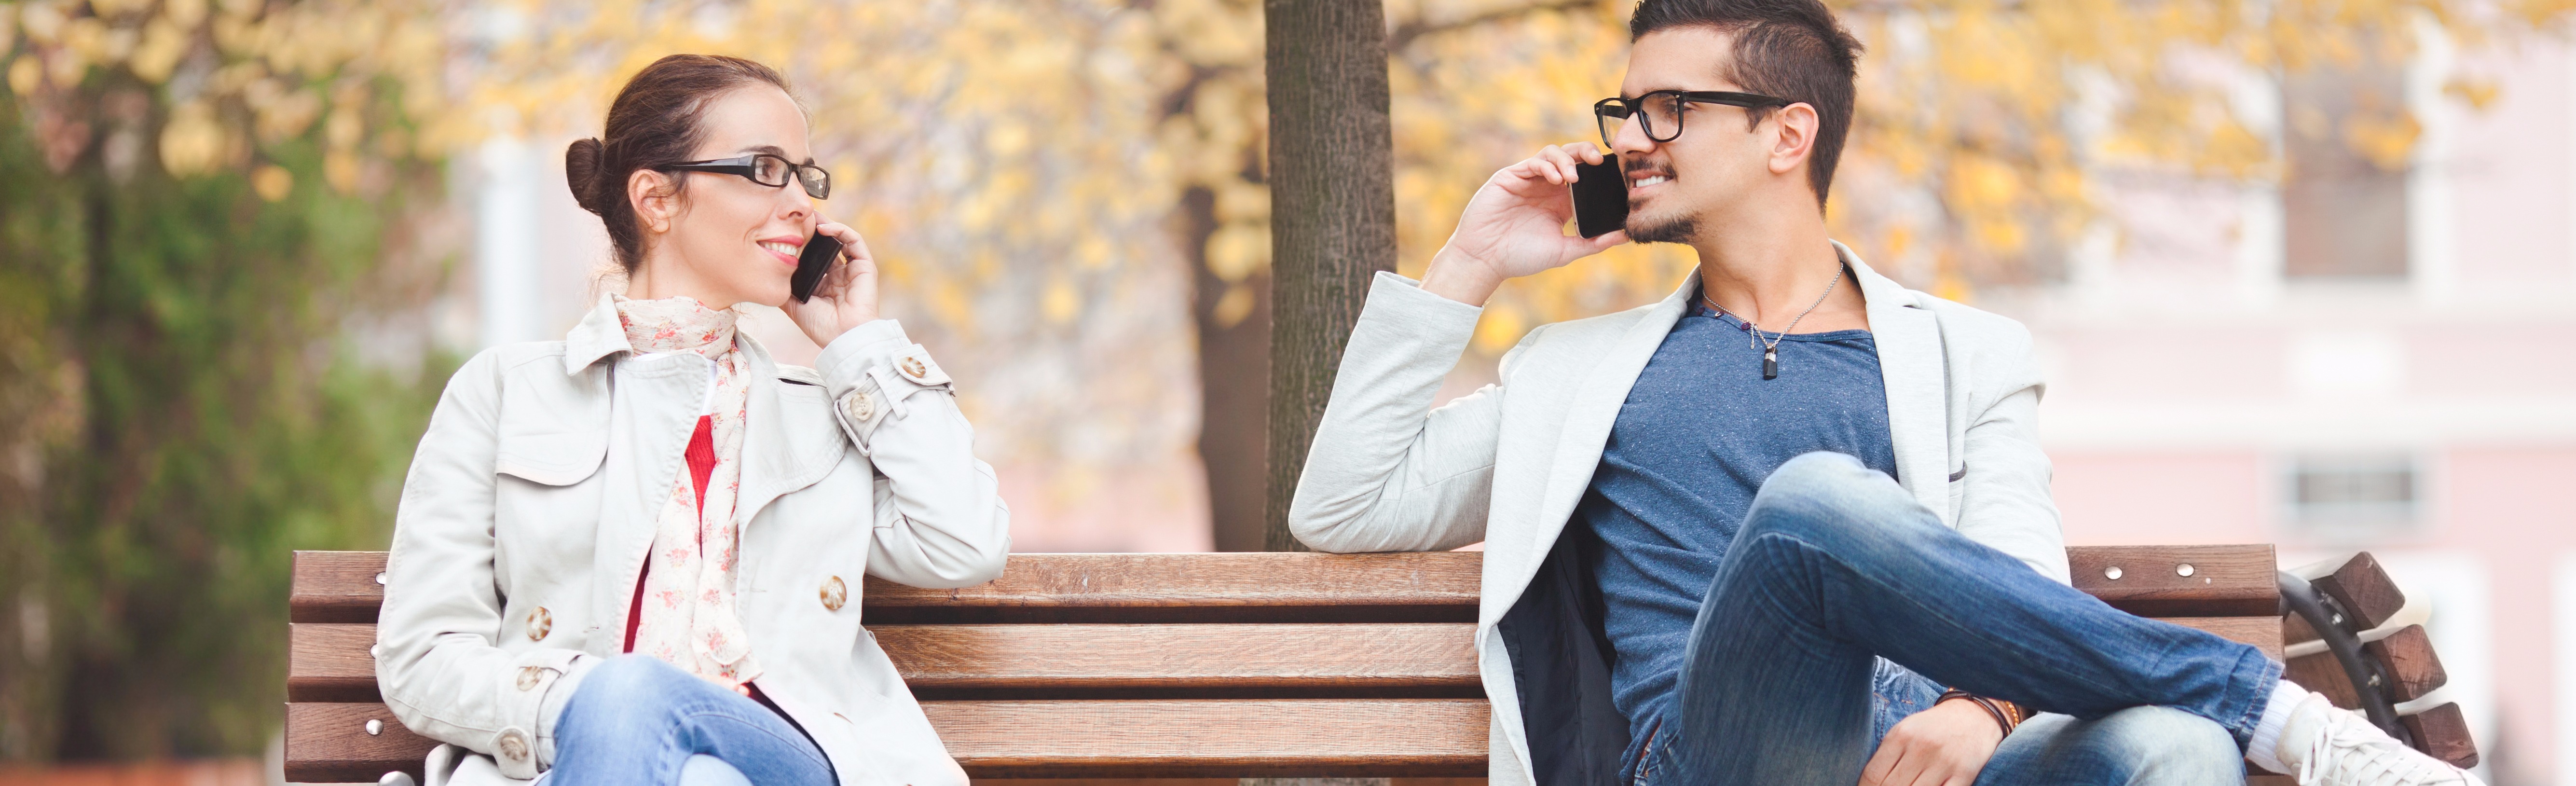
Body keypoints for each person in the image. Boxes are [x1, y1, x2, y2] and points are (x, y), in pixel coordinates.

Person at [1286, 2, 2480, 785]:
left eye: (1666, 111)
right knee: (1816, 504)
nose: (1630, 143)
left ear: (1784, 134)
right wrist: (1472, 262)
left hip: (1919, 754)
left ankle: (2233, 719)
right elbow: (1343, 506)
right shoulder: (1577, 368)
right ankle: (2282, 717)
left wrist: (1987, 711)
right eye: (1625, 112)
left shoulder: (1968, 352)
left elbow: (2012, 560)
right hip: (1716, 756)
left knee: (2175, 752)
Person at [375, 55, 1009, 786]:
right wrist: (587, 706)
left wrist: (859, 347)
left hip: (785, 758)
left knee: (645, 705)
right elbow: (425, 653)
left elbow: (964, 544)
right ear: (656, 198)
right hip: (575, 759)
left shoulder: (828, 415)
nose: (804, 202)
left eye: (807, 174)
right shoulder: (506, 393)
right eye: (767, 168)